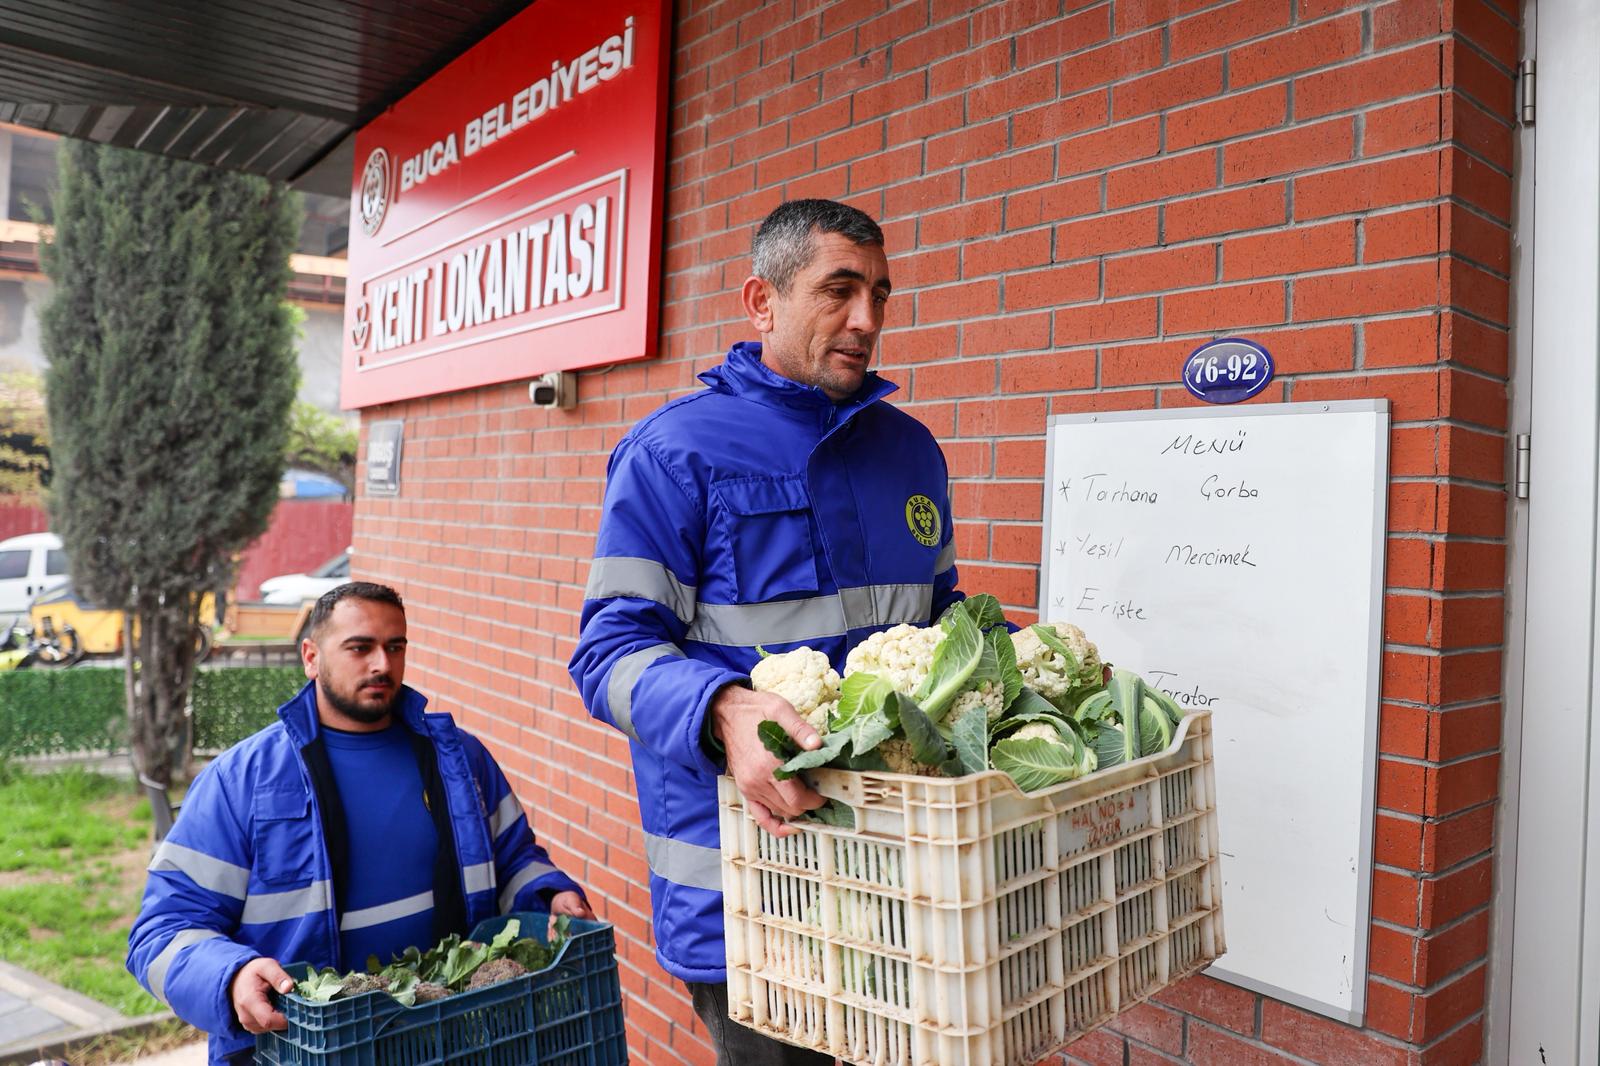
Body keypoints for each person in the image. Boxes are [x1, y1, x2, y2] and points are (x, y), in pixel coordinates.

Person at [569, 198, 963, 1064]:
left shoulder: (912, 453)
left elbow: (944, 632)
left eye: (882, 295)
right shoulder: (675, 454)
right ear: (763, 300)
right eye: (840, 289)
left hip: (898, 881)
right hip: (746, 887)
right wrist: (723, 709)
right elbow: (607, 654)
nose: (866, 320)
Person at [128, 581, 592, 1066]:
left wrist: (547, 896)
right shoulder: (240, 781)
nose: (382, 664)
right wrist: (232, 977)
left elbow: (514, 859)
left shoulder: (461, 760)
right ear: (311, 656)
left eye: (395, 647)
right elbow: (162, 931)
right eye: (360, 647)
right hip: (295, 1053)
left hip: (451, 1042)